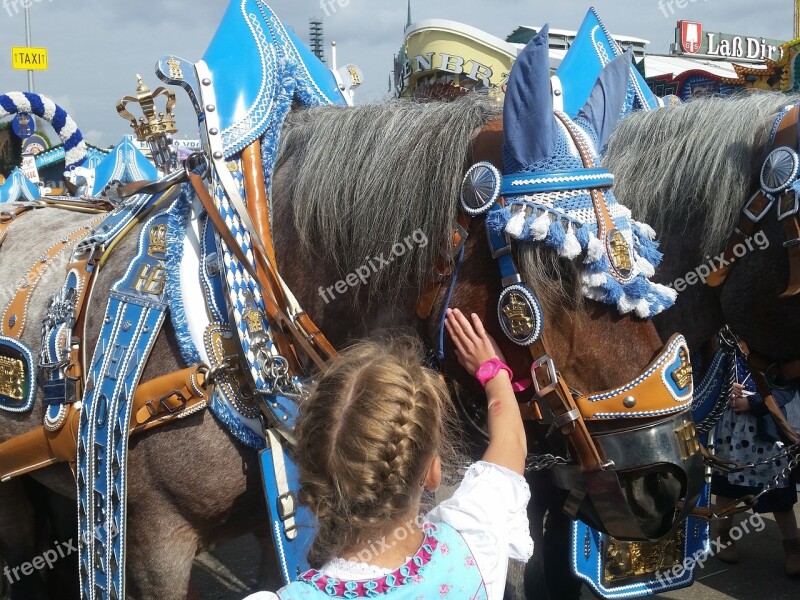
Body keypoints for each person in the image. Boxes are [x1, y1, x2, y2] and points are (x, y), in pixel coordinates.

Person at [244, 308, 533, 599]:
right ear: (433, 471)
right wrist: (492, 371)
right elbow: (511, 441)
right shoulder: (474, 542)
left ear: (309, 472)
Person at [711, 357, 800, 576]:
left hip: (767, 435)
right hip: (729, 433)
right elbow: (708, 376)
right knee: (726, 489)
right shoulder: (727, 345)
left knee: (780, 496)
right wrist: (725, 388)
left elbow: (786, 391)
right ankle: (723, 538)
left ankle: (793, 549)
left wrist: (752, 403)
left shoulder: (777, 350)